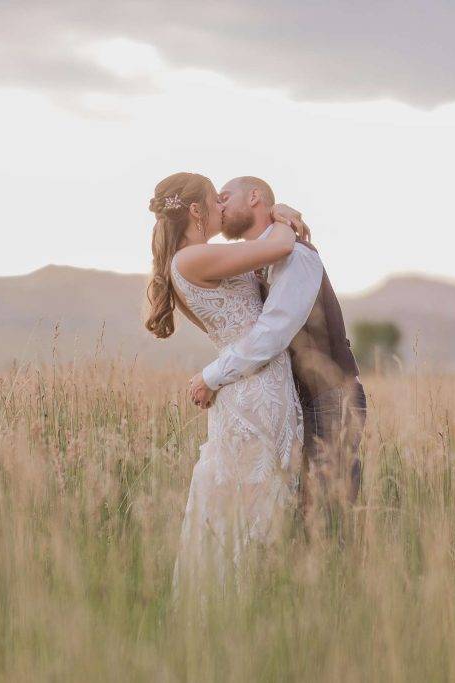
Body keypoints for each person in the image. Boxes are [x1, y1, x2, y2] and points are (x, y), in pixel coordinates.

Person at [144, 172, 308, 587]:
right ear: (196, 211)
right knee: (251, 509)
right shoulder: (191, 259)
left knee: (253, 502)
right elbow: (281, 245)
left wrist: (277, 212)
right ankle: (241, 601)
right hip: (252, 389)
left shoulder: (191, 260)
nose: (222, 207)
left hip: (256, 382)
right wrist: (282, 213)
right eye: (215, 202)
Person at [187, 176, 366, 537]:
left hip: (329, 398)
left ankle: (342, 589)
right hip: (293, 405)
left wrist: (212, 376)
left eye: (224, 197)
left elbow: (272, 332)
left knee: (329, 518)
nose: (218, 207)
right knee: (299, 519)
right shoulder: (256, 260)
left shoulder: (297, 254)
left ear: (255, 197)